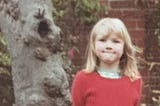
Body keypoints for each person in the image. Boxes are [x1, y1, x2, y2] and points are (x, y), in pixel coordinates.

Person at [71, 17, 142, 106]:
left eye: (116, 41)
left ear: (125, 47)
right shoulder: (82, 79)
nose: (109, 46)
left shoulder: (134, 79)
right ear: (93, 45)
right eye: (102, 40)